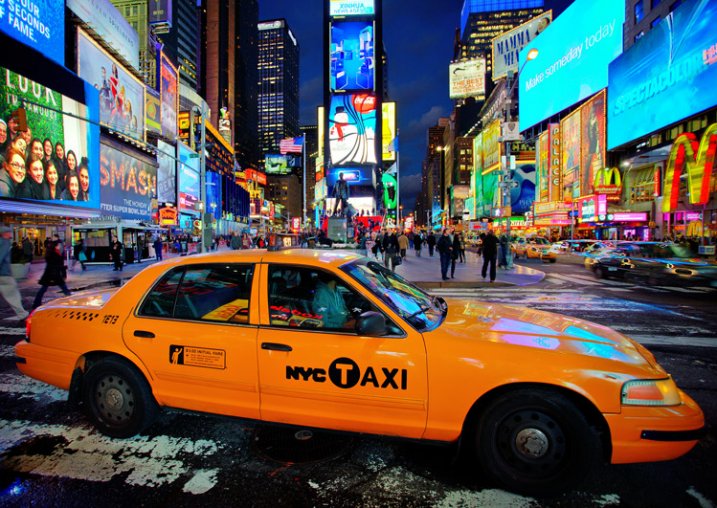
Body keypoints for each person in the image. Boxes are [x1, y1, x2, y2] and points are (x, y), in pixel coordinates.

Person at [32, 234, 71, 310]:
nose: (60, 247)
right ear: (55, 247)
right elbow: (56, 264)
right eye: (58, 246)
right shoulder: (55, 254)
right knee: (63, 287)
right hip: (53, 273)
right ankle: (70, 299)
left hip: (50, 273)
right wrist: (61, 270)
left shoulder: (53, 253)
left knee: (44, 288)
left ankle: (36, 303)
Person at [0, 225, 29, 321]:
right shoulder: (4, 242)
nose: (10, 234)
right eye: (9, 232)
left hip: (4, 274)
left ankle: (22, 312)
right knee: (12, 294)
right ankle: (22, 313)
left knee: (12, 292)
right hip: (4, 274)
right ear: (5, 233)